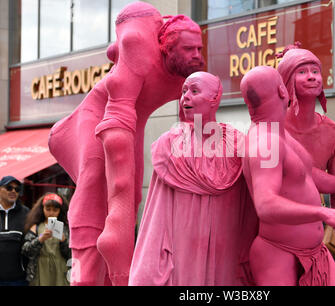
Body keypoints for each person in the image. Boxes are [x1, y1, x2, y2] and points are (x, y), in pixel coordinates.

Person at [48, 2, 204, 285]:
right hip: (94, 120)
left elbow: (193, 128)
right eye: (189, 49)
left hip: (134, 123)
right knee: (100, 189)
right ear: (168, 48)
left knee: (130, 197)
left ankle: (111, 276)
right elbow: (116, 124)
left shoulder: (188, 76)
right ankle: (84, 278)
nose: (196, 56)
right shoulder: (139, 51)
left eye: (199, 49)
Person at [239, 66, 335, 286]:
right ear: (282, 91)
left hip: (315, 252)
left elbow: (308, 175)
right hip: (279, 255)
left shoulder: (278, 133)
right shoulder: (266, 142)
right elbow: (266, 205)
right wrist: (323, 213)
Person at [129, 72, 258, 286]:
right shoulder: (170, 145)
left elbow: (250, 207)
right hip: (182, 254)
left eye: (194, 91)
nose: (185, 97)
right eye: (183, 91)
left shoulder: (238, 144)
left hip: (227, 250)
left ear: (215, 98)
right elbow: (156, 213)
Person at [277, 43, 335, 285]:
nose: (312, 76)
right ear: (286, 80)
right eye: (302, 71)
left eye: (315, 70)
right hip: (272, 233)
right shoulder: (271, 126)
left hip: (314, 236)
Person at [22, 193, 71, 286]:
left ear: (60, 211)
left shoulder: (66, 228)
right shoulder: (35, 227)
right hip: (40, 269)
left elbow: (72, 254)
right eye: (48, 209)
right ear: (42, 209)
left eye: (55, 210)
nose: (51, 212)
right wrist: (40, 239)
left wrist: (64, 241)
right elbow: (25, 250)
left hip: (61, 269)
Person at [0, 176, 29, 286]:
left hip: (19, 279)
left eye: (17, 189)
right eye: (9, 188)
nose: (13, 191)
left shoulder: (27, 213)